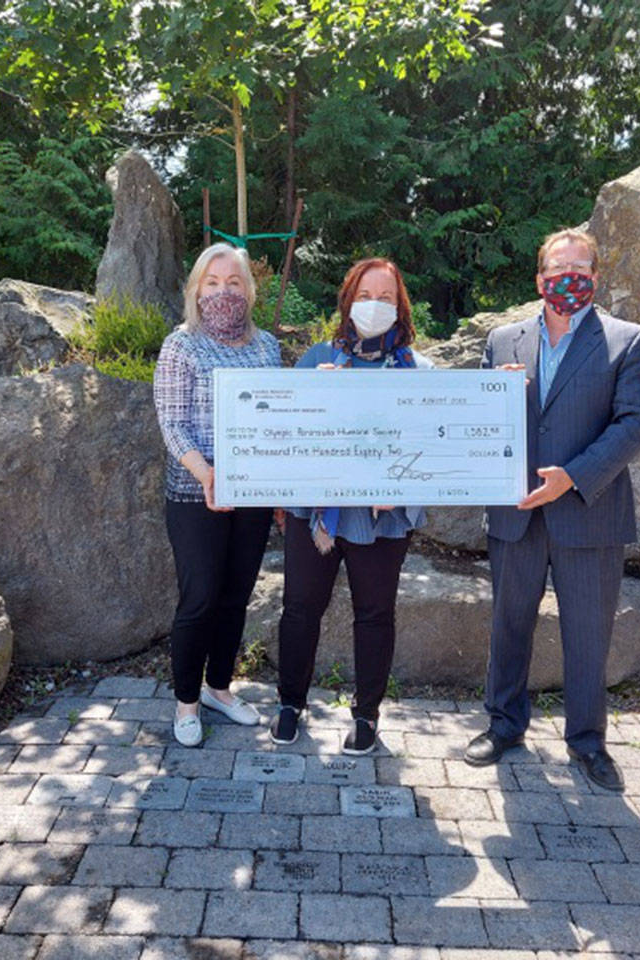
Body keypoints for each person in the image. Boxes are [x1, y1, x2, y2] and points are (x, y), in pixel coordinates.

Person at [464, 227, 640, 791]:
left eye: (579, 267)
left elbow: (635, 423)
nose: (566, 277)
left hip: (589, 512)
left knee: (588, 634)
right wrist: (489, 396)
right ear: (539, 278)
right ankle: (503, 725)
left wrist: (572, 477)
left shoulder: (628, 340)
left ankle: (588, 743)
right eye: (556, 267)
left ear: (595, 277)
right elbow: (477, 420)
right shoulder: (502, 342)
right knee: (509, 624)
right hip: (516, 511)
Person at [269, 257, 433, 755]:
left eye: (386, 298)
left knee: (376, 613)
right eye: (366, 296)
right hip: (318, 511)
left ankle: (366, 715)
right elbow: (286, 431)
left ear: (400, 307)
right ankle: (289, 704)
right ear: (348, 301)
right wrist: (312, 397)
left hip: (383, 516)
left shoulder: (419, 371)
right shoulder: (317, 357)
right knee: (300, 608)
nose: (374, 306)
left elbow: (433, 441)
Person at [153, 242, 281, 747]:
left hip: (251, 493)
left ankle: (219, 689)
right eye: (213, 283)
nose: (223, 292)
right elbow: (172, 422)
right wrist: (207, 474)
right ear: (196, 290)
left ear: (248, 290)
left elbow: (280, 415)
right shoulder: (181, 345)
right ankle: (186, 703)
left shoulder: (267, 346)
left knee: (235, 597)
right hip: (193, 492)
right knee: (200, 597)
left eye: (233, 283)